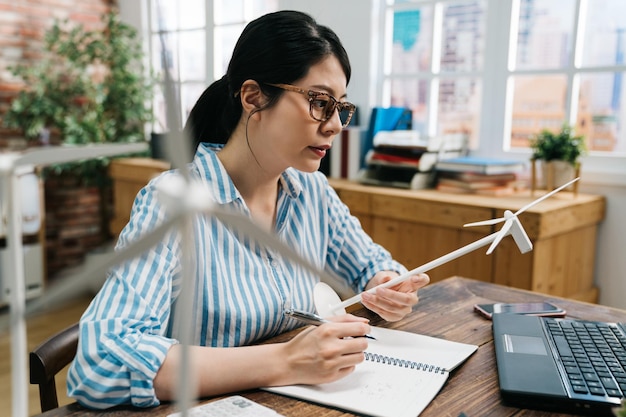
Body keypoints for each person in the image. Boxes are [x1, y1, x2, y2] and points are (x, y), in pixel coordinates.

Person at [67, 10, 429, 409]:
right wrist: (286, 360)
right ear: (253, 96)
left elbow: (371, 267)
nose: (336, 125)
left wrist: (386, 283)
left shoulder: (312, 192)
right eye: (320, 102)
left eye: (340, 107)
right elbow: (100, 363)